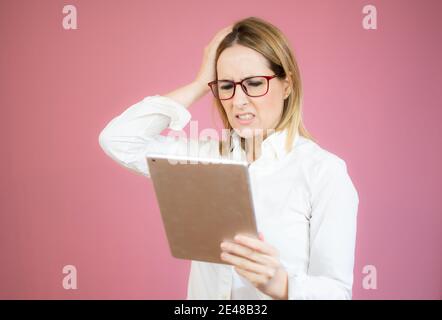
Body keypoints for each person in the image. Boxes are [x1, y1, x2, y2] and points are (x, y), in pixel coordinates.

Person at [98, 16, 359, 300]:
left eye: (255, 83)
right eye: (226, 86)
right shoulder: (203, 158)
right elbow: (119, 140)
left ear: (287, 85)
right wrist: (200, 83)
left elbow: (337, 292)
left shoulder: (324, 173)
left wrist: (283, 285)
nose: (238, 101)